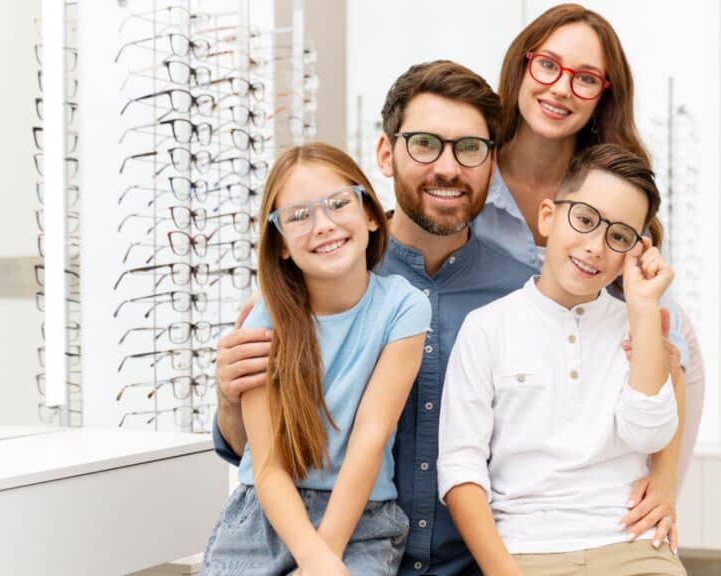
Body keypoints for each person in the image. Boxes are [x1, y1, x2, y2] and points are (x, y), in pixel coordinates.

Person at [212, 61, 536, 575]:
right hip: (315, 541)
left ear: (492, 164)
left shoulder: (524, 294)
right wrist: (229, 404)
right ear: (385, 154)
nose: (448, 168)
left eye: (470, 148)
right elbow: (254, 451)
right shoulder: (320, 276)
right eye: (425, 143)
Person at [473, 3, 706, 551]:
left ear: (604, 93)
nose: (561, 89)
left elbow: (676, 350)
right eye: (548, 65)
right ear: (522, 66)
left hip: (593, 478)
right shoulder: (472, 176)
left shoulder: (612, 185)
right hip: (503, 448)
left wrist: (665, 478)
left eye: (585, 79)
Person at [440, 144, 687, 576]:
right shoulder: (486, 328)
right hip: (524, 552)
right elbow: (461, 469)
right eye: (586, 220)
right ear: (549, 216)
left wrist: (644, 308)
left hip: (631, 546)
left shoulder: (638, 327)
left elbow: (649, 433)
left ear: (636, 250)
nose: (595, 247)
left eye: (619, 236)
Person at [201, 143, 431, 575]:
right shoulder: (264, 317)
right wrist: (311, 556)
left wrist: (323, 560)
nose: (322, 225)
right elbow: (267, 467)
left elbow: (370, 437)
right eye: (299, 216)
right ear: (282, 244)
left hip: (360, 520)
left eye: (338, 204)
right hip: (264, 519)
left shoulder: (405, 308)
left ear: (369, 214)